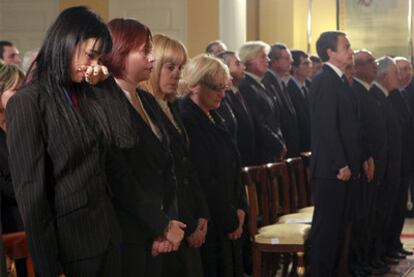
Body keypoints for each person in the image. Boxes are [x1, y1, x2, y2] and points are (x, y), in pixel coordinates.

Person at [6, 6, 133, 277]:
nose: (93, 64)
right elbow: (32, 198)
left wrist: (108, 84)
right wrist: (49, 269)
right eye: (90, 54)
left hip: (109, 236)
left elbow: (125, 138)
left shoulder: (90, 91)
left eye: (99, 57)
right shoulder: (28, 102)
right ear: (66, 42)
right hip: (70, 249)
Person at [102, 19, 185, 277]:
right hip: (128, 231)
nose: (152, 59)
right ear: (120, 52)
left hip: (159, 229)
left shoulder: (147, 99)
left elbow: (168, 165)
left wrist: (168, 223)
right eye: (145, 51)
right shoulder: (105, 102)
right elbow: (120, 177)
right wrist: (160, 224)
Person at [140, 33, 209, 277]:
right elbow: (160, 177)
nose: (177, 74)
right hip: (170, 222)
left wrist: (202, 214)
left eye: (180, 67)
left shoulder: (169, 106)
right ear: (154, 65)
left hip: (186, 214)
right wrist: (187, 222)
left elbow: (188, 166)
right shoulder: (144, 107)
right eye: (170, 67)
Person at [178, 54, 247, 277]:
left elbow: (234, 163)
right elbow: (205, 178)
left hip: (228, 211)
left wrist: (240, 207)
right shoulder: (188, 118)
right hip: (212, 219)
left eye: (224, 87)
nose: (222, 93)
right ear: (195, 85)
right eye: (216, 87)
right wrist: (229, 218)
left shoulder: (214, 115)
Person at [309, 31, 362, 277]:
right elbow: (326, 127)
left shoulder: (340, 80)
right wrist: (341, 163)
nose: (351, 51)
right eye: (346, 46)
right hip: (332, 170)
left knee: (340, 230)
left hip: (343, 170)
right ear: (330, 52)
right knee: (327, 231)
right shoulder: (324, 80)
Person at [238, 41, 286, 164]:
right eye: (263, 56)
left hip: (271, 150)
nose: (268, 60)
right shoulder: (246, 86)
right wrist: (276, 143)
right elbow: (258, 121)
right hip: (260, 153)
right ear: (249, 60)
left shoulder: (260, 83)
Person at [0, 61, 26, 276]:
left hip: (31, 217)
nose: (22, 96)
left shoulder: (23, 125)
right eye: (16, 90)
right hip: (10, 222)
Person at [217, 51, 255, 167]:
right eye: (237, 64)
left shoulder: (240, 92)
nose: (243, 67)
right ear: (225, 69)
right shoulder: (223, 98)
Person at [263, 43, 300, 158]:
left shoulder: (279, 80)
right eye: (287, 58)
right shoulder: (267, 81)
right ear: (274, 61)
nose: (292, 61)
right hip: (280, 147)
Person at [288, 50, 312, 153]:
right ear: (294, 68)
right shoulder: (289, 88)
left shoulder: (307, 87)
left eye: (309, 63)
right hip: (297, 145)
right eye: (305, 63)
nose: (310, 66)